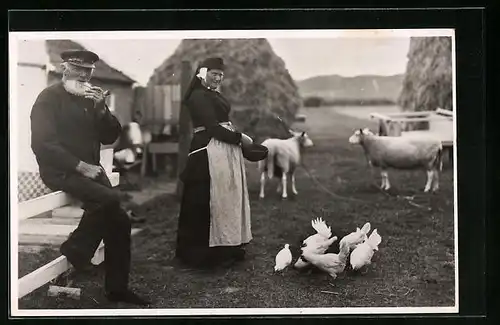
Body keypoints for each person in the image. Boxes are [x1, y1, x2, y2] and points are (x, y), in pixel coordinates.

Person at [30, 49, 150, 306]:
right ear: (65, 68)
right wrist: (79, 166)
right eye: (78, 68)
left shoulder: (90, 98)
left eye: (89, 70)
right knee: (109, 199)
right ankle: (76, 250)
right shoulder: (48, 98)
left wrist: (102, 109)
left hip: (91, 169)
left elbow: (110, 137)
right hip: (59, 170)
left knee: (120, 222)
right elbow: (42, 143)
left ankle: (117, 289)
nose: (84, 75)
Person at [175, 57, 263, 269]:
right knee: (208, 199)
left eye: (221, 75)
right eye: (214, 74)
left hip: (222, 150)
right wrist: (240, 138)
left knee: (226, 197)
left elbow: (221, 124)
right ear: (202, 73)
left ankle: (228, 246)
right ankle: (203, 254)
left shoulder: (213, 95)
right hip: (207, 151)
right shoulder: (197, 97)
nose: (218, 78)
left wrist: (238, 140)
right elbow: (212, 128)